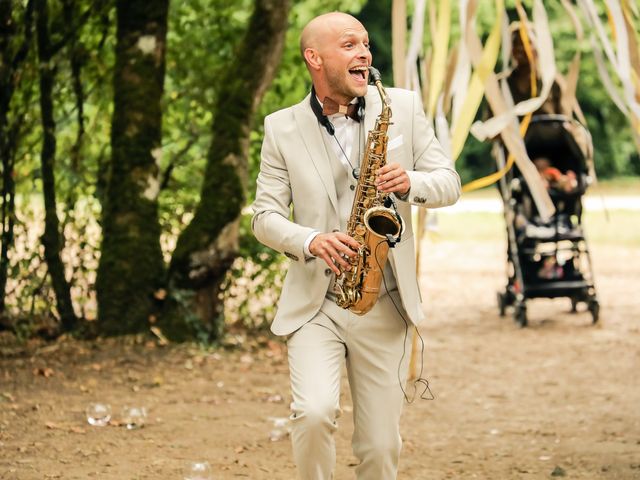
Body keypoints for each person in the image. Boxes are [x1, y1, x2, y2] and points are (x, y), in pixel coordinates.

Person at [252, 11, 460, 479]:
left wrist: (409, 183)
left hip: (383, 302)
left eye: (365, 44)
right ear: (314, 57)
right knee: (313, 412)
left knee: (381, 446)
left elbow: (449, 182)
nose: (364, 52)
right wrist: (310, 239)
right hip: (317, 303)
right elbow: (264, 217)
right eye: (349, 44)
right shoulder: (280, 127)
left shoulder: (401, 107)